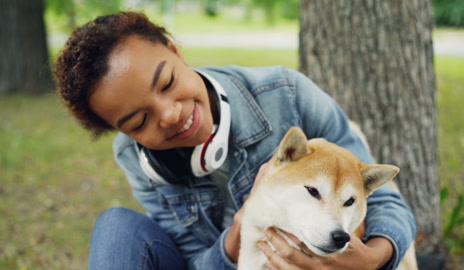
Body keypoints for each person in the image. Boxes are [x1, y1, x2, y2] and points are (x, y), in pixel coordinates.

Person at [53, 11, 416, 270]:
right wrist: (242, 229)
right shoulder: (134, 158)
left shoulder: (288, 94)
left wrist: (375, 258)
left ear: (174, 50)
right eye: (138, 120)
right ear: (123, 132)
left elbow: (384, 200)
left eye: (166, 83)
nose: (169, 114)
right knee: (116, 227)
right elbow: (193, 259)